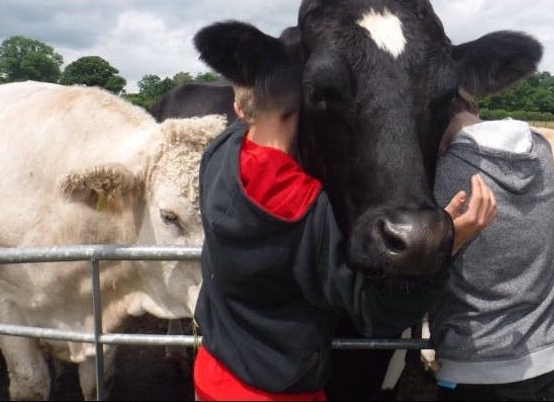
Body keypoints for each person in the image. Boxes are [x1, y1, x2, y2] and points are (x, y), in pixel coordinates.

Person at [192, 70, 498, 401]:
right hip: (280, 391)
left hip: (211, 374)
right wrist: (446, 247)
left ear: (237, 108)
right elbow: (378, 314)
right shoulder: (311, 209)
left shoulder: (218, 155)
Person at [428, 95, 554, 401]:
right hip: (553, 363)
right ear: (474, 109)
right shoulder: (541, 150)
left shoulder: (440, 173)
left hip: (472, 370)